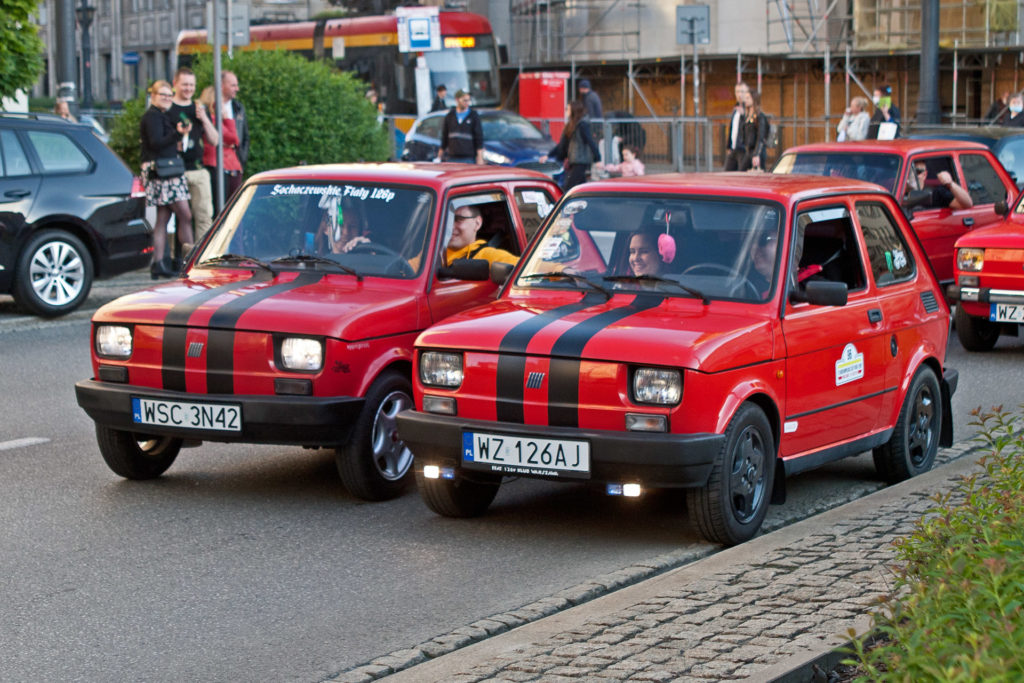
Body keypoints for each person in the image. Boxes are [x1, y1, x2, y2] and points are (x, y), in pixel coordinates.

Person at [140, 80, 194, 279]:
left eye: (169, 95)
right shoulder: (152, 116)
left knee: (163, 218)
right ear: (153, 96)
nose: (167, 98)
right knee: (185, 215)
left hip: (163, 172)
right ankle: (190, 261)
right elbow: (156, 142)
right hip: (163, 174)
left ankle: (159, 264)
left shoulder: (159, 115)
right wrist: (176, 134)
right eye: (162, 95)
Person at [168, 67, 218, 242]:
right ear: (175, 84)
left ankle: (201, 257)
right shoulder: (168, 109)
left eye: (192, 85)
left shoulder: (199, 109)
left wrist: (204, 118)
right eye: (185, 84)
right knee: (180, 218)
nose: (188, 88)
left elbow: (215, 140)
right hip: (175, 170)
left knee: (204, 216)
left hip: (198, 170)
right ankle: (180, 258)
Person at [541, 100, 601, 191]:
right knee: (580, 188)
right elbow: (562, 144)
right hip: (574, 161)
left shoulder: (582, 125)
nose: (566, 112)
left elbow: (590, 141)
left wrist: (597, 158)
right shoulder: (571, 125)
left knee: (568, 187)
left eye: (568, 109)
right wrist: (549, 155)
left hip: (581, 161)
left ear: (573, 111)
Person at [199, 86, 243, 207]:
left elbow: (235, 140)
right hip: (217, 165)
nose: (224, 105)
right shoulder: (211, 119)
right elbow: (230, 138)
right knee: (223, 206)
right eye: (222, 101)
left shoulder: (220, 120)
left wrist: (227, 118)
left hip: (231, 166)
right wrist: (226, 118)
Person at [445, 205, 517, 266]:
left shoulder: (486, 257)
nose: (449, 226)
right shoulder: (437, 250)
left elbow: (526, 271)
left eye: (458, 219)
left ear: (477, 223)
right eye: (446, 219)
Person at [218, 70, 249, 203]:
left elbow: (245, 137)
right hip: (219, 162)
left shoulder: (238, 107)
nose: (237, 89)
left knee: (235, 203)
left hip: (235, 162)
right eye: (233, 85)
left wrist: (242, 158)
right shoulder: (212, 107)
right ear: (221, 85)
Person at [436, 89, 484, 164]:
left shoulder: (473, 116)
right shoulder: (450, 116)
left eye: (468, 100)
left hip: (469, 158)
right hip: (452, 158)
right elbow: (444, 138)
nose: (467, 103)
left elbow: (479, 138)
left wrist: (480, 158)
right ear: (457, 100)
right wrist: (439, 157)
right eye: (464, 100)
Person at [906, 161, 973, 210]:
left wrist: (951, 183)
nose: (912, 175)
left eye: (917, 172)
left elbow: (967, 204)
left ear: (924, 175)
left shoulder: (937, 193)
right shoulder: (899, 192)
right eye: (909, 171)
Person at [737, 90, 770, 171]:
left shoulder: (760, 116)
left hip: (756, 152)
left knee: (755, 175)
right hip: (748, 150)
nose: (746, 100)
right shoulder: (747, 116)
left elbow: (761, 136)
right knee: (742, 172)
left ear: (754, 99)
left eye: (748, 98)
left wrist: (756, 154)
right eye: (746, 98)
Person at [724, 82, 750, 171]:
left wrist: (744, 115)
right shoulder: (736, 109)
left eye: (742, 92)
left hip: (743, 149)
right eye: (737, 92)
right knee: (727, 174)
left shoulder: (749, 109)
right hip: (733, 149)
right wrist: (729, 146)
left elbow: (750, 128)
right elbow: (732, 128)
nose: (739, 94)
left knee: (741, 175)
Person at [748, 229, 778, 297]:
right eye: (750, 246)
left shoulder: (800, 284)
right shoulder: (745, 285)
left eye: (763, 241)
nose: (754, 249)